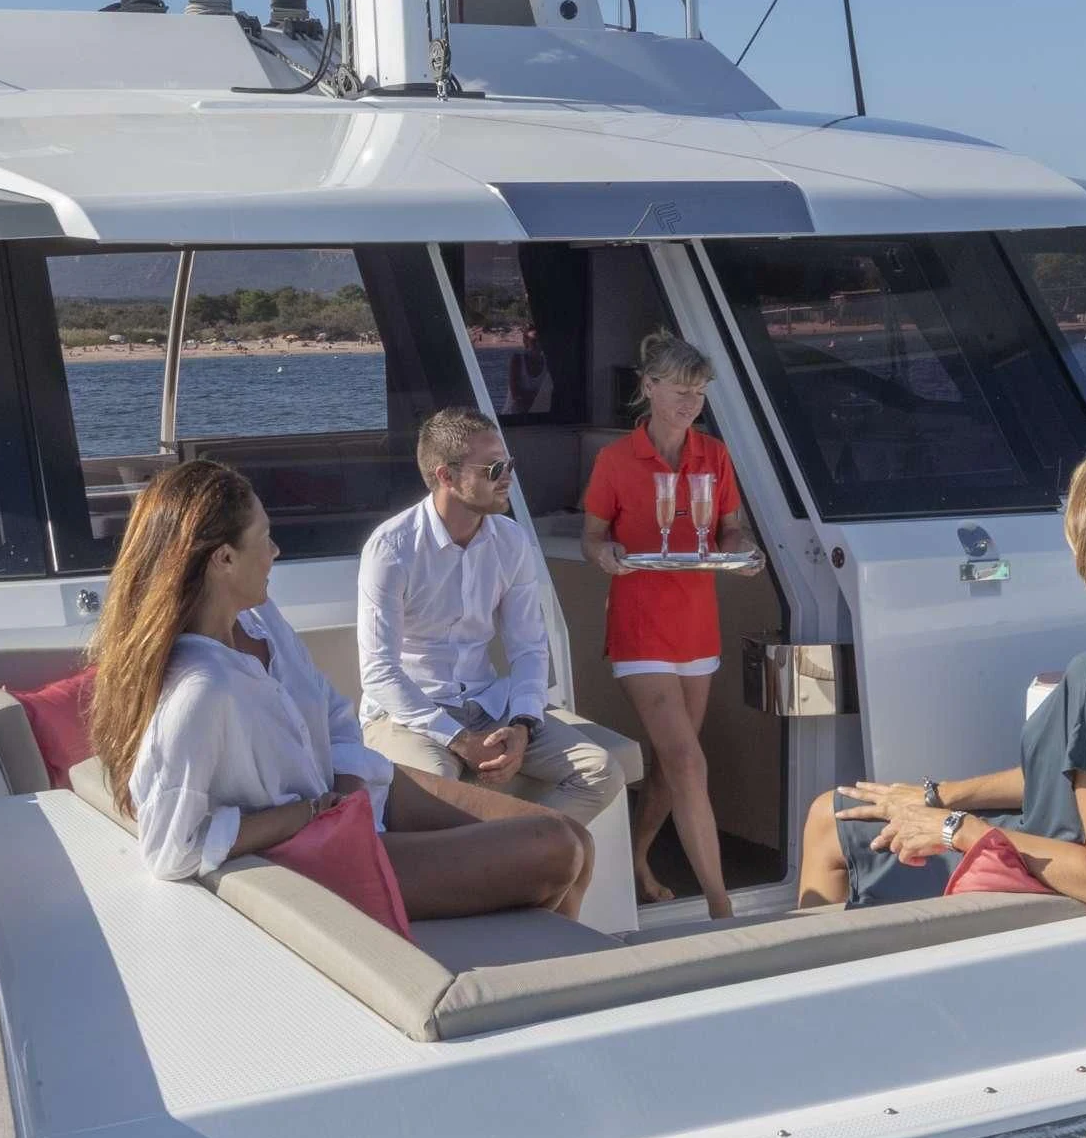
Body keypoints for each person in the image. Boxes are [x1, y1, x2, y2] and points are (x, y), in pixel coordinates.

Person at [89, 461, 593, 917]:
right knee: (557, 848)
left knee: (577, 840)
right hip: (318, 846)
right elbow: (170, 848)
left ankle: (544, 963)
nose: (275, 551)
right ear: (224, 559)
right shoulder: (200, 688)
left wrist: (350, 780)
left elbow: (331, 709)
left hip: (354, 793)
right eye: (264, 538)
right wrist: (301, 814)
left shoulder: (260, 619)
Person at [795, 430, 1086, 915]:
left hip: (1038, 887)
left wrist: (955, 828)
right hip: (1077, 846)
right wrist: (939, 795)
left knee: (828, 823)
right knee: (841, 809)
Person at [358, 408, 624, 822]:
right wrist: (460, 740)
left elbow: (529, 647)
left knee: (600, 771)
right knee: (436, 798)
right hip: (407, 713)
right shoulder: (392, 548)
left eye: (509, 465)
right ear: (447, 476)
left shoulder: (511, 541)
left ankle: (522, 853)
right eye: (494, 469)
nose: (507, 477)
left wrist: (522, 724)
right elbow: (379, 673)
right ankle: (514, 851)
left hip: (487, 704)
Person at [582, 331, 763, 918]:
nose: (691, 402)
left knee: (669, 765)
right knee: (687, 760)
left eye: (699, 392)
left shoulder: (714, 455)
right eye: (681, 390)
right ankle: (720, 906)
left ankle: (635, 857)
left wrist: (739, 552)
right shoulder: (615, 461)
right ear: (650, 387)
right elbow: (592, 538)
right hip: (639, 626)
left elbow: (730, 530)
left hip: (696, 626)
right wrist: (606, 555)